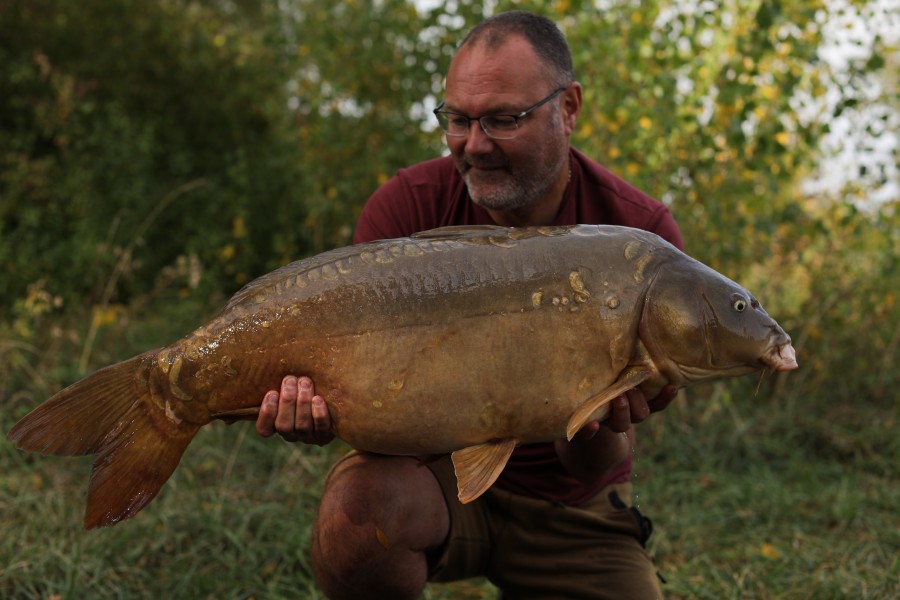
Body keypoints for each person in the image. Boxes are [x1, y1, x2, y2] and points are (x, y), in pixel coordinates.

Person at [257, 11, 682, 600]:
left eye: (503, 120)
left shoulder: (640, 239)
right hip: (431, 480)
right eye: (458, 120)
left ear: (569, 108)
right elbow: (378, 429)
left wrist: (596, 415)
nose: (476, 145)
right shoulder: (405, 209)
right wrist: (325, 412)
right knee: (356, 515)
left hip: (574, 508)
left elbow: (590, 466)